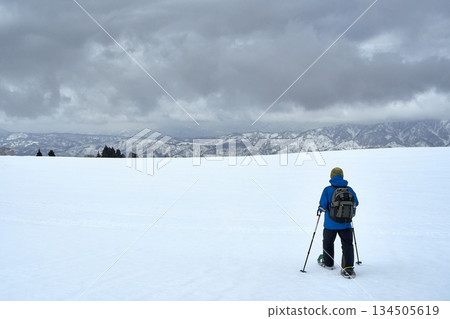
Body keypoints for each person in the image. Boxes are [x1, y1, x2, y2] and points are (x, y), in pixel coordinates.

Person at [318, 167, 359, 278]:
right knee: (347, 244)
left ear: (331, 176)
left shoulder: (327, 189)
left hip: (330, 224)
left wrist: (320, 209)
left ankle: (328, 263)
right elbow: (356, 202)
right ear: (342, 175)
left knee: (328, 243)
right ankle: (348, 268)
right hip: (346, 223)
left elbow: (323, 205)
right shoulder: (349, 189)